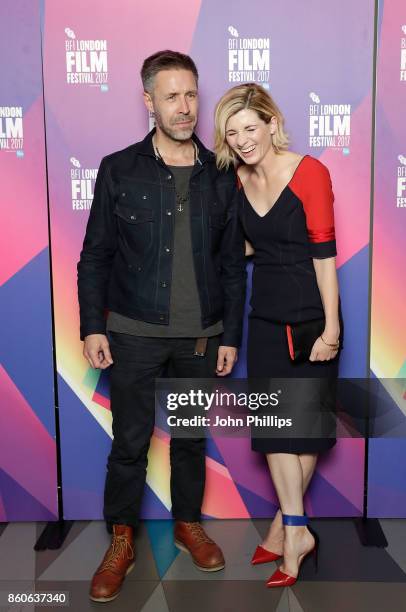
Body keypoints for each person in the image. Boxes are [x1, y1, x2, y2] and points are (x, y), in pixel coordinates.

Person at [77, 50, 246, 602]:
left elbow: (229, 264)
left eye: (191, 94)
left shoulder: (221, 173)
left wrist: (230, 335)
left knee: (190, 441)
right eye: (171, 96)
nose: (184, 107)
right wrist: (92, 326)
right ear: (148, 100)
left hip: (199, 338)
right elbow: (96, 255)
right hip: (130, 335)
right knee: (129, 443)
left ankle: (188, 523)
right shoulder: (118, 168)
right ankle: (121, 538)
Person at [214, 83, 341, 588]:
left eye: (250, 127)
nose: (243, 140)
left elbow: (325, 260)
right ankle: (292, 529)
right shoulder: (239, 181)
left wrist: (331, 328)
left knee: (302, 432)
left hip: (311, 321)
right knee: (276, 434)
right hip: (263, 320)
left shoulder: (310, 173)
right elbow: (251, 247)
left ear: (271, 123)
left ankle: (290, 532)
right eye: (232, 133)